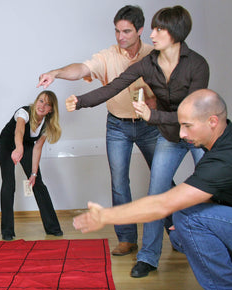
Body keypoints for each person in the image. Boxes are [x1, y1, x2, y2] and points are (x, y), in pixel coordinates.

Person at [73, 89, 232, 290]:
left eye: (187, 126)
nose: (182, 134)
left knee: (187, 217)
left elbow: (164, 203)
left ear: (212, 121)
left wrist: (106, 216)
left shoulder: (225, 157)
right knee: (188, 223)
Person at [66, 5, 209, 278]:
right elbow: (114, 86)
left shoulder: (197, 64)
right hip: (169, 135)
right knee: (156, 194)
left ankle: (209, 245)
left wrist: (153, 115)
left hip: (198, 134)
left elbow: (194, 112)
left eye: (159, 29)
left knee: (210, 188)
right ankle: (148, 257)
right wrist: (81, 101)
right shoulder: (148, 63)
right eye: (153, 28)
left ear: (175, 33)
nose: (152, 35)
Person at [38, 5, 159, 257]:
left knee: (162, 180)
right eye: (117, 31)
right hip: (118, 126)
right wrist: (56, 73)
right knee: (119, 183)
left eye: (126, 31)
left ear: (140, 30)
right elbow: (81, 69)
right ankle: (127, 239)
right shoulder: (107, 56)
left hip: (150, 126)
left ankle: (179, 234)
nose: (120, 37)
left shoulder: (153, 54)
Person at [0, 90, 63, 241]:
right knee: (9, 184)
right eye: (41, 101)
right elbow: (19, 130)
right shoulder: (24, 112)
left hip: (26, 146)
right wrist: (18, 148)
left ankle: (53, 228)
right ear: (36, 101)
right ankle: (7, 231)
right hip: (7, 144)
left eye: (47, 104)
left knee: (38, 183)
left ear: (51, 109)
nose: (42, 106)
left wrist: (33, 174)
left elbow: (37, 147)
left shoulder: (47, 124)